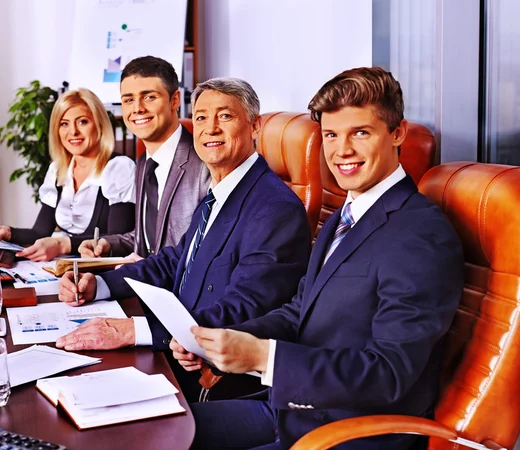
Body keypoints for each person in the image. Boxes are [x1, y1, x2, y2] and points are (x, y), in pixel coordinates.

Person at [176, 67, 465, 450]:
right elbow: (299, 311)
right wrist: (227, 340)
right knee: (149, 429)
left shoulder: (420, 234)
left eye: (359, 132)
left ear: (397, 133)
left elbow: (389, 373)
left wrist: (263, 357)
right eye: (331, 135)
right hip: (293, 410)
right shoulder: (344, 218)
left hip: (347, 434)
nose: (341, 150)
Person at [56, 77, 311, 401]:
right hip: (174, 352)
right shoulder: (220, 191)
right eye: (202, 117)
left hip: (211, 377)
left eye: (225, 116)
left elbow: (244, 308)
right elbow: (177, 259)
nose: (209, 128)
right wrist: (101, 283)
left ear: (255, 125)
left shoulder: (275, 208)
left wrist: (136, 331)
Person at [78, 56, 210, 260]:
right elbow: (150, 241)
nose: (137, 108)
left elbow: (204, 251)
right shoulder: (143, 164)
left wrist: (145, 270)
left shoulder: (204, 164)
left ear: (174, 100)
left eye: (149, 97)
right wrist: (108, 244)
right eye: (128, 99)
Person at [0, 88, 136, 262]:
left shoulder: (119, 167)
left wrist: (62, 244)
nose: (73, 132)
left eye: (82, 122)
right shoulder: (58, 170)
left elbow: (116, 239)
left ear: (99, 125)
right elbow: (40, 232)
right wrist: (9, 233)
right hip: (63, 266)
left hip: (100, 271)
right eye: (64, 124)